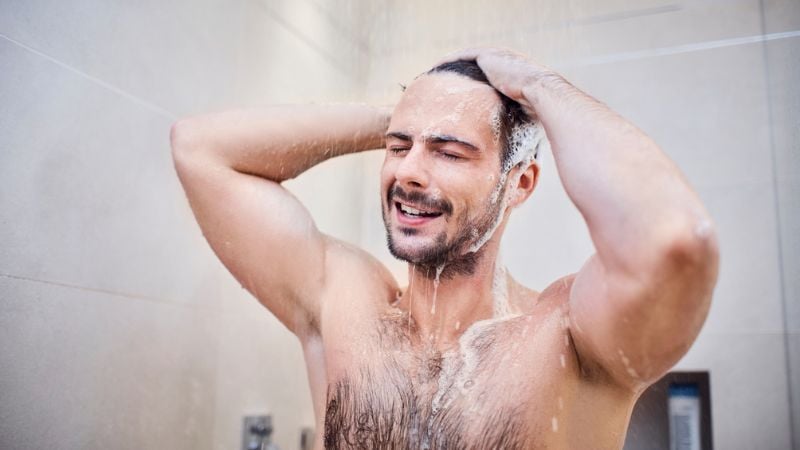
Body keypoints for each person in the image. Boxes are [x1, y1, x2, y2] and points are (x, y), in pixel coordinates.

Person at [170, 47, 719, 449]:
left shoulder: (569, 337)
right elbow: (201, 150)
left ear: (520, 185)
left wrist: (538, 86)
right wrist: (410, 117)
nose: (408, 172)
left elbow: (671, 239)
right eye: (398, 148)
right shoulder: (345, 306)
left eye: (449, 153)